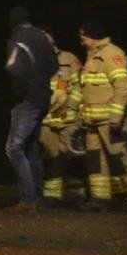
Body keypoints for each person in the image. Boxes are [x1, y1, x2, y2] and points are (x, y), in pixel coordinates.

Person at [77, 20, 127, 209]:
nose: (82, 42)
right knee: (95, 159)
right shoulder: (93, 56)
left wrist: (116, 117)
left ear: (93, 37)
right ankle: (100, 198)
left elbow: (122, 87)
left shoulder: (112, 55)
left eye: (84, 38)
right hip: (92, 120)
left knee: (118, 156)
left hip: (108, 119)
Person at [4, 6, 58, 210]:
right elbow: (54, 66)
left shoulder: (18, 38)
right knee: (30, 146)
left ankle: (29, 197)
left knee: (14, 148)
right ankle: (37, 193)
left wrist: (18, 93)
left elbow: (13, 68)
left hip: (27, 99)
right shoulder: (42, 37)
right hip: (43, 97)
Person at [39, 36, 87, 206]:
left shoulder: (69, 59)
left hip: (68, 119)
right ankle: (52, 195)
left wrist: (70, 104)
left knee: (72, 156)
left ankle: (76, 193)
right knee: (51, 156)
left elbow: (81, 86)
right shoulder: (37, 61)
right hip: (46, 119)